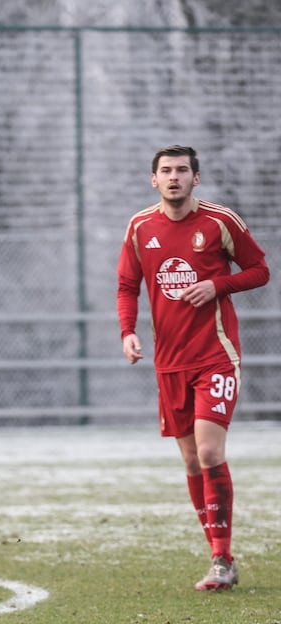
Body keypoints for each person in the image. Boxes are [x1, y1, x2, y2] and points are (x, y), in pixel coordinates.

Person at [117, 145, 270, 591]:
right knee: (189, 458)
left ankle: (223, 557)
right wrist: (128, 330)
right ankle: (217, 557)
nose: (174, 177)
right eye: (166, 171)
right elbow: (127, 285)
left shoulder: (220, 222)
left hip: (216, 355)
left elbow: (260, 269)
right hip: (170, 362)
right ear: (154, 179)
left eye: (182, 170)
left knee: (208, 451)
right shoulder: (140, 227)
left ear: (195, 179)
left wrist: (217, 285)